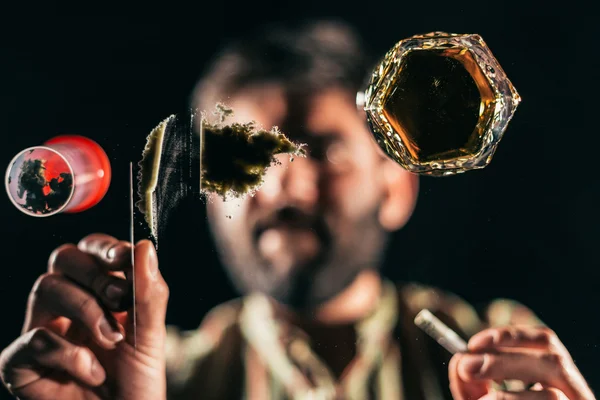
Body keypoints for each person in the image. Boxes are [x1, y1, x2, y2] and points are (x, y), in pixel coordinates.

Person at [0, 20, 595, 400]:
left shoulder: (499, 359)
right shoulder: (151, 378)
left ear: (398, 188)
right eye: (242, 157)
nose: (285, 188)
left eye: (326, 151)